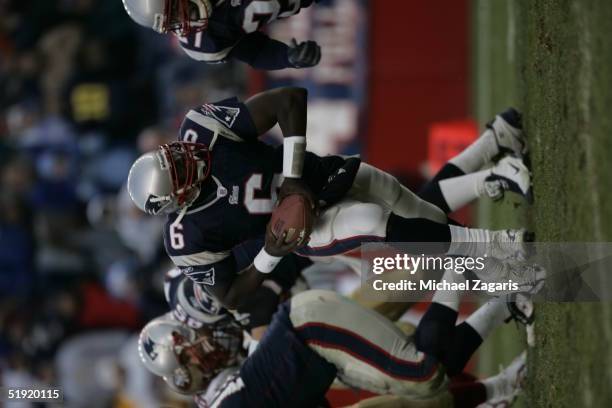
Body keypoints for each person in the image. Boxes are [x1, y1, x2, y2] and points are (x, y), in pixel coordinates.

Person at [126, 87, 533, 310]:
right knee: (372, 220)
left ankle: (506, 277)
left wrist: (292, 178)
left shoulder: (201, 129)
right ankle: (501, 247)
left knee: (424, 218)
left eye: (175, 154)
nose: (187, 154)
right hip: (305, 230)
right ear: (178, 199)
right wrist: (269, 252)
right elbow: (231, 296)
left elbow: (289, 100)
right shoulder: (186, 239)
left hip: (320, 174)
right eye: (180, 169)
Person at [138, 288, 533, 407]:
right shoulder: (225, 393)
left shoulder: (229, 398)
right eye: (189, 352)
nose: (201, 345)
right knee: (421, 395)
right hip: (322, 356)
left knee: (423, 374)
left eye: (189, 342)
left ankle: (459, 268)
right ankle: (502, 379)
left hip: (312, 327)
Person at [121, 0, 321, 69]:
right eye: (172, 18)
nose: (183, 16)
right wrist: (287, 57)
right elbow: (255, 52)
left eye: (176, 6)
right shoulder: (202, 41)